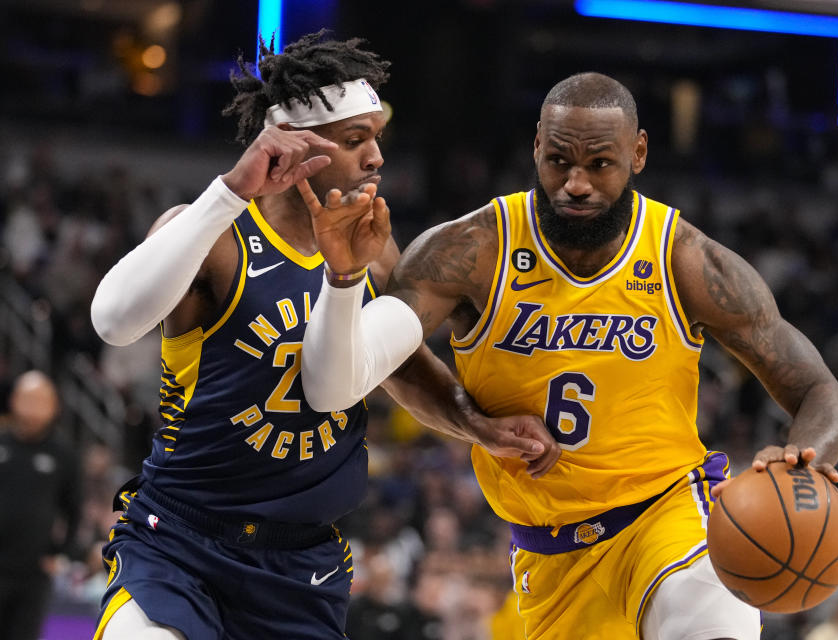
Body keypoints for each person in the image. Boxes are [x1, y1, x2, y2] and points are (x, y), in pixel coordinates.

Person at [298, 71, 838, 639]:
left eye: (599, 164)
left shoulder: (685, 260)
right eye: (560, 161)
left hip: (668, 518)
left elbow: (822, 394)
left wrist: (801, 461)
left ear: (638, 154)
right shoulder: (472, 249)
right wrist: (474, 423)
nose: (576, 183)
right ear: (537, 147)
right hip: (549, 554)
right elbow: (381, 359)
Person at [88, 31, 555, 640]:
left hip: (301, 563)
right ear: (294, 144)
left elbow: (399, 363)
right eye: (356, 139)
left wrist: (477, 425)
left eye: (377, 138)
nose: (376, 158)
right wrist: (230, 189)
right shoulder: (216, 236)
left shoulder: (375, 246)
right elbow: (114, 319)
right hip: (182, 542)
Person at [0, 370, 81, 640]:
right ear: (14, 400)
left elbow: (74, 509)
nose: (33, 407)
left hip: (33, 570)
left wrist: (61, 553)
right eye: (27, 399)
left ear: (54, 405)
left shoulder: (63, 453)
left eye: (40, 400)